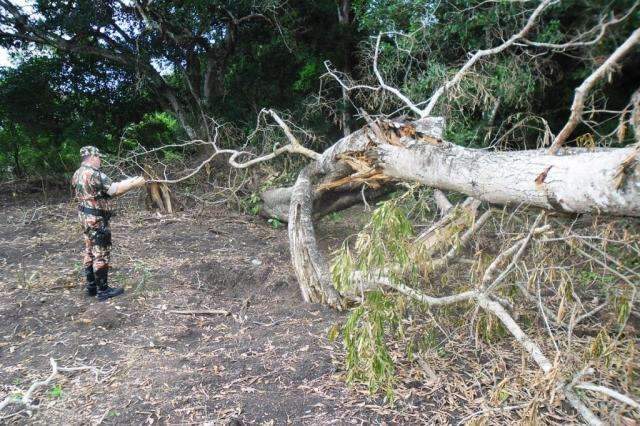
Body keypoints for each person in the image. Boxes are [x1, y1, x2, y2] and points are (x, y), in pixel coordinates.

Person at [71, 146, 145, 301]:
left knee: (89, 250)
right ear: (92, 157)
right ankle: (103, 290)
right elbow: (114, 190)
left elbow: (96, 193)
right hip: (96, 219)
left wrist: (126, 182)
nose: (100, 161)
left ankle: (92, 287)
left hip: (84, 217)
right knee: (101, 252)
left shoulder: (77, 173)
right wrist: (133, 183)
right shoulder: (94, 174)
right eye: (99, 157)